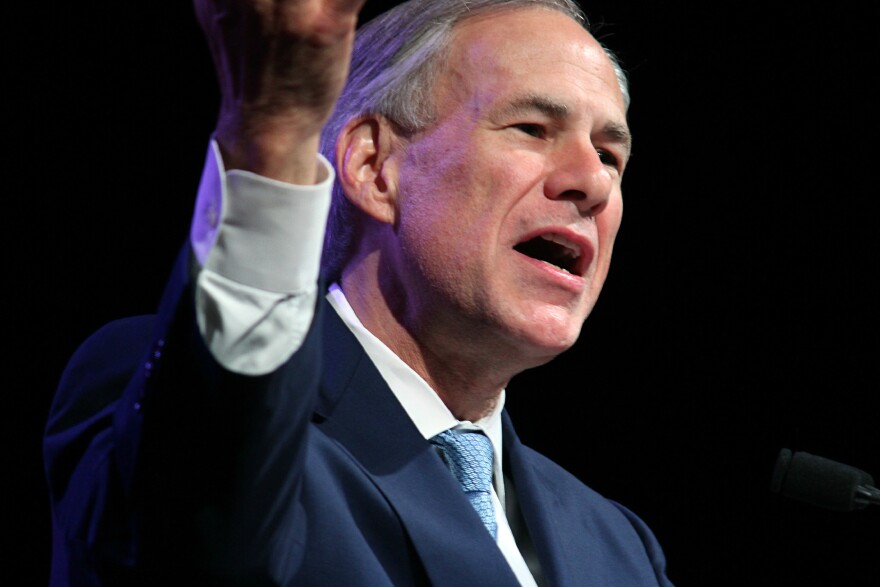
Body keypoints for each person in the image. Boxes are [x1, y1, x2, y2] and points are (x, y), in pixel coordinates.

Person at [44, 0, 674, 584]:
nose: (592, 180)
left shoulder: (619, 547)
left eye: (610, 156)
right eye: (533, 128)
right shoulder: (174, 399)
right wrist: (275, 128)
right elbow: (190, 539)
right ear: (374, 167)